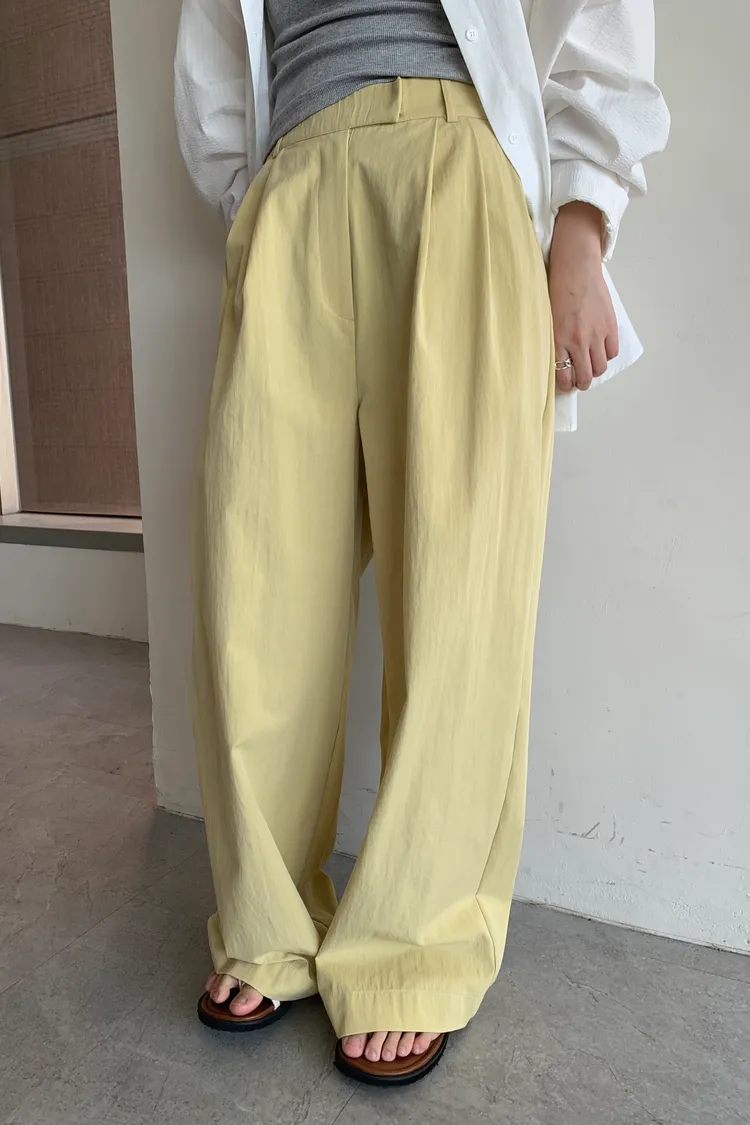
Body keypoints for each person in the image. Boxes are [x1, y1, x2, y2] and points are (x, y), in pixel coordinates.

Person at [175, 0, 669, 1087]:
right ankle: (268, 918)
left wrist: (582, 225)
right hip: (292, 172)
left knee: (459, 592)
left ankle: (414, 943)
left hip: (458, 156)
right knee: (255, 585)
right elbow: (212, 54)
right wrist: (257, 206)